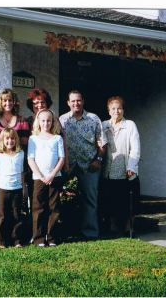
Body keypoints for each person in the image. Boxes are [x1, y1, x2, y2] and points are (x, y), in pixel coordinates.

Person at [59, 90, 107, 240]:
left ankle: (90, 233)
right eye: (73, 101)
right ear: (68, 103)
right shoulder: (62, 120)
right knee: (56, 196)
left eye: (78, 100)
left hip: (89, 165)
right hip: (68, 165)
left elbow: (103, 143)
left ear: (83, 101)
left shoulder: (93, 119)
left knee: (90, 200)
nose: (76, 103)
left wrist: (97, 160)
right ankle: (61, 230)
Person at [101, 96, 140, 236]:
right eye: (113, 108)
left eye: (119, 108)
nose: (116, 111)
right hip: (107, 170)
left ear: (123, 110)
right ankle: (112, 228)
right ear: (108, 110)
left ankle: (128, 228)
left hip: (125, 170)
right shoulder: (104, 125)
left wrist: (131, 167)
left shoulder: (130, 125)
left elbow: (135, 148)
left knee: (126, 202)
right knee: (109, 201)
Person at [27, 109, 65, 247]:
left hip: (54, 177)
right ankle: (39, 238)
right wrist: (41, 176)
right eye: (43, 120)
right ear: (38, 122)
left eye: (48, 120)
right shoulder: (33, 138)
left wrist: (52, 174)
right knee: (38, 207)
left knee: (54, 207)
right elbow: (30, 159)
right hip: (39, 178)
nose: (46, 123)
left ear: (52, 122)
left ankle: (51, 237)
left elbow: (62, 158)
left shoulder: (57, 138)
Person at [0, 128, 26, 248]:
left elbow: (21, 172)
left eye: (12, 138)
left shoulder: (20, 154)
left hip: (17, 189)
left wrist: (24, 188)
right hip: (2, 189)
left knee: (16, 215)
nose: (10, 141)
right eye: (7, 138)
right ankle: (2, 241)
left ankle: (17, 240)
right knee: (2, 216)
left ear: (16, 140)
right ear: (2, 140)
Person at [0, 88, 31, 182]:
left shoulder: (22, 122)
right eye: (4, 100)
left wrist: (23, 165)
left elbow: (25, 146)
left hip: (16, 166)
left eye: (10, 100)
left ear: (14, 102)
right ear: (0, 102)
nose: (8, 103)